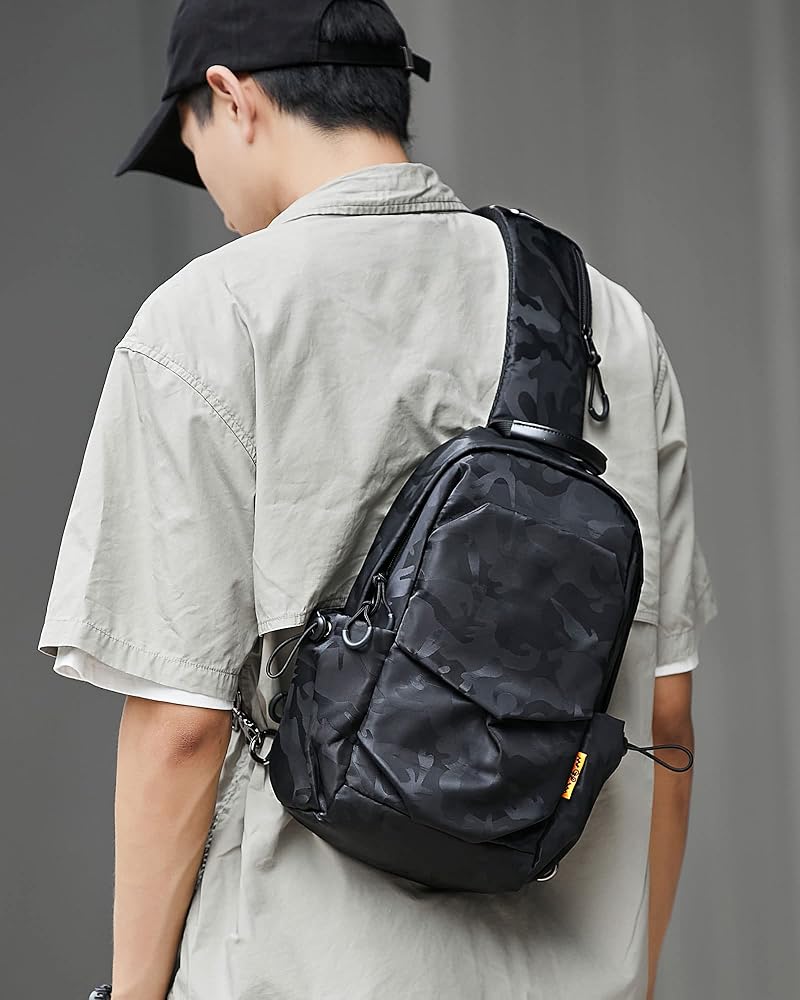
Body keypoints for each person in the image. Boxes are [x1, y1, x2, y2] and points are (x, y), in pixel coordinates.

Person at [36, 1, 719, 998]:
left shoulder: (208, 319)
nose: (210, 191)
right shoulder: (603, 319)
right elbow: (666, 710)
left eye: (189, 143)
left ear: (231, 98)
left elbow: (179, 727)